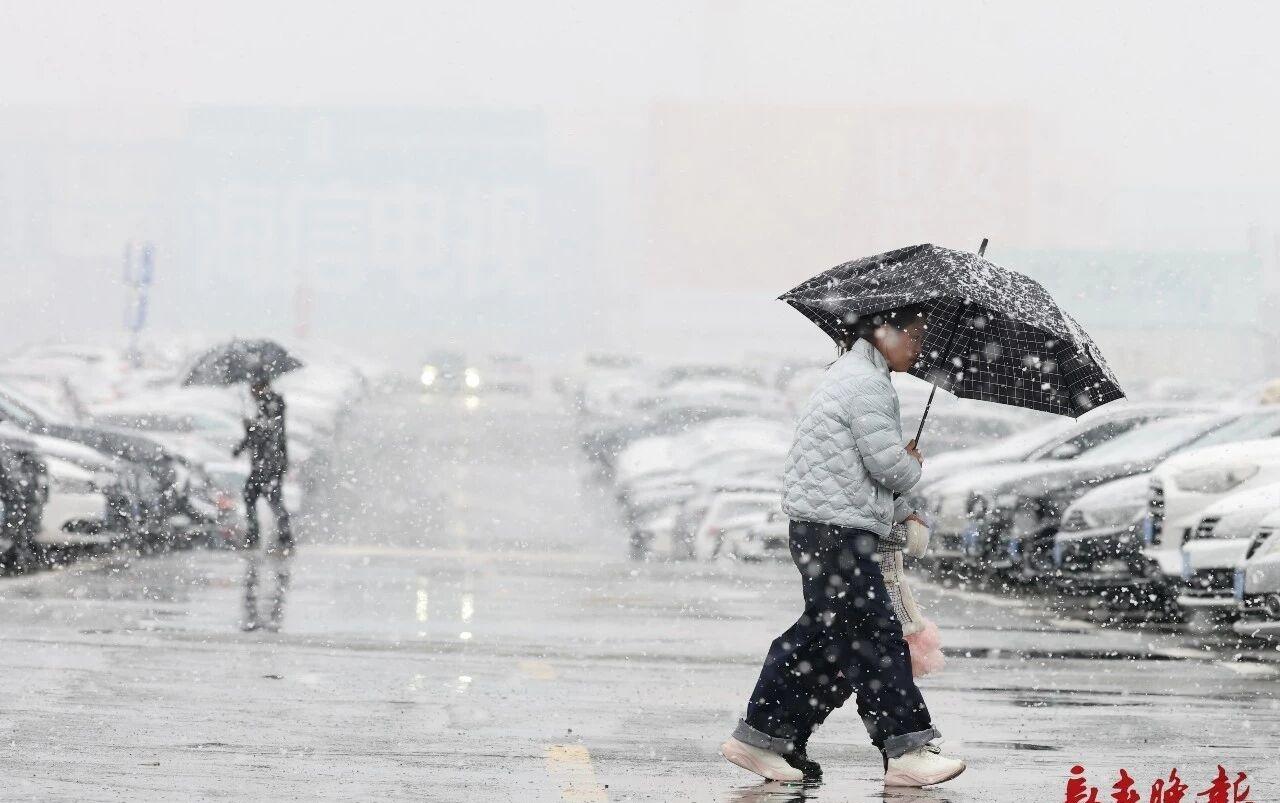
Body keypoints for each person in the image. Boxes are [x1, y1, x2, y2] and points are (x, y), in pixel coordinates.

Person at [720, 303, 966, 788]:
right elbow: (887, 469)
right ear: (884, 332)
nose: (918, 349)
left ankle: (768, 736)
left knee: (829, 641)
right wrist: (912, 465)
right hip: (836, 534)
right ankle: (907, 747)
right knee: (875, 635)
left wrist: (900, 510)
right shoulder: (866, 384)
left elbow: (852, 475)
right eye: (913, 336)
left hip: (825, 528)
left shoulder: (853, 377)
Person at [232, 375, 293, 553]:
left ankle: (281, 539)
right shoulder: (264, 404)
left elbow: (268, 431)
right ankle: (257, 537)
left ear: (261, 386)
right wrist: (243, 443)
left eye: (253, 387)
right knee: (252, 496)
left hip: (270, 463)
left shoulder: (273, 403)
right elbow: (257, 434)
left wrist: (251, 427)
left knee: (273, 500)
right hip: (262, 463)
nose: (250, 392)